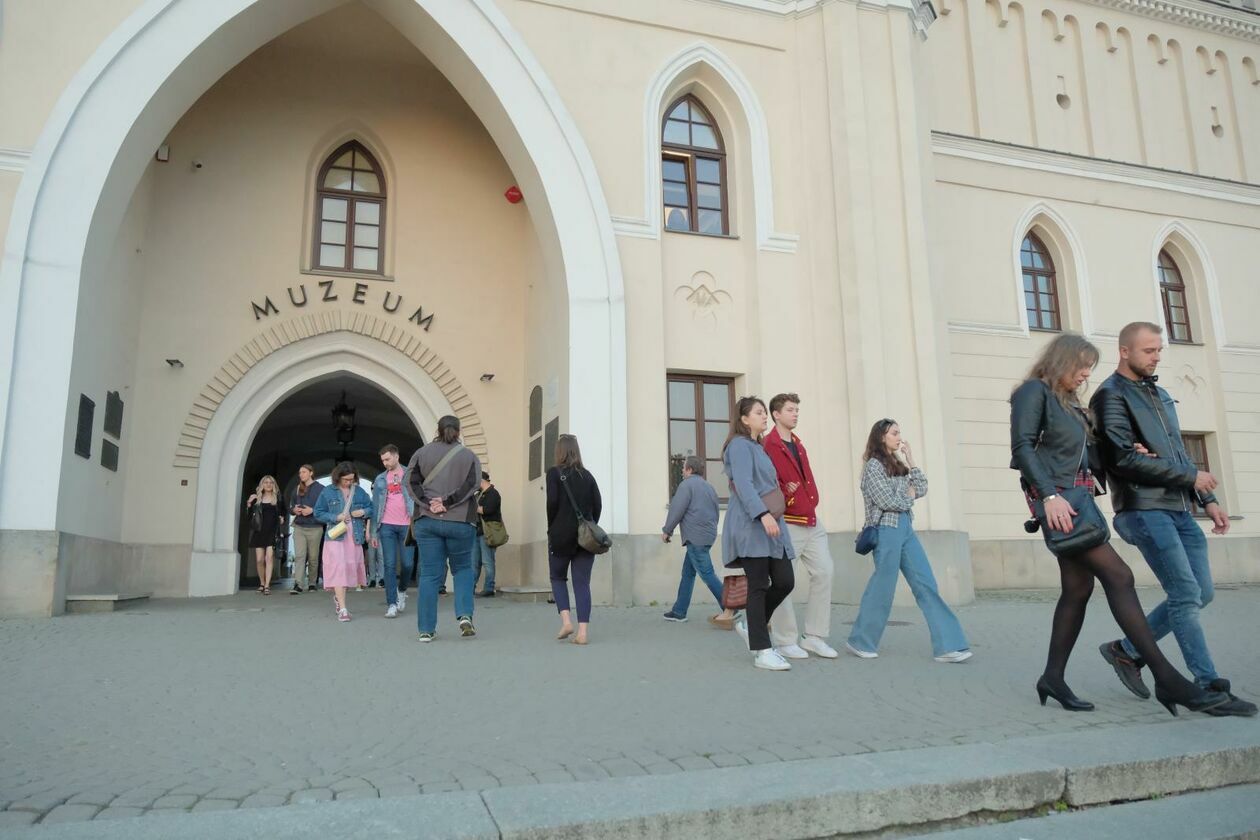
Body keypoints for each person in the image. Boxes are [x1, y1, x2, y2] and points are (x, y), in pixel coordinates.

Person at [1010, 333, 1226, 715]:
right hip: (1061, 505)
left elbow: (1087, 455)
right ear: (1063, 361)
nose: (1085, 375)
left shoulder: (1069, 404)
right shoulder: (1033, 392)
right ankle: (1166, 677)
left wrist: (1132, 451)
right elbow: (1023, 447)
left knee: (1077, 591)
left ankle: (1053, 678)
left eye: (1089, 369)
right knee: (1120, 577)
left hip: (1075, 504)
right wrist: (1048, 497)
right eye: (1081, 367)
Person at [1090, 322, 1257, 717]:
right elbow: (1123, 460)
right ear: (1125, 352)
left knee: (1202, 592)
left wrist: (1207, 497)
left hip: (1180, 507)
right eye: (1149, 351)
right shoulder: (1110, 397)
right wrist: (1190, 477)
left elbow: (1179, 453)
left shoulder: (1159, 394)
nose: (1157, 357)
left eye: (1159, 350)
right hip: (1144, 510)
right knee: (1185, 595)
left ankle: (1126, 651)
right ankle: (1209, 686)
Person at [846, 420, 971, 663]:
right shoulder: (873, 466)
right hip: (886, 529)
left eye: (899, 433)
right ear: (881, 437)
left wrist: (911, 459)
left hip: (906, 529)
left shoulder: (899, 463)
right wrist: (908, 496)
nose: (899, 437)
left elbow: (922, 487)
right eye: (894, 433)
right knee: (883, 588)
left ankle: (948, 646)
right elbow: (886, 501)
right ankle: (860, 641)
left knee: (926, 583)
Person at [722, 396, 796, 671]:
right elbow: (743, 483)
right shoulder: (739, 446)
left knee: (785, 580)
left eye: (765, 413)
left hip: (771, 526)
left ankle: (750, 626)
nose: (765, 417)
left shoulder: (759, 446)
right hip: (751, 525)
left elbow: (762, 482)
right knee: (758, 585)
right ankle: (763, 650)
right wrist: (762, 513)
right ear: (744, 419)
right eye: (759, 413)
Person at [763, 393, 837, 659]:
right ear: (776, 414)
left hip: (811, 519)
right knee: (785, 581)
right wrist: (786, 492)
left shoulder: (797, 443)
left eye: (797, 410)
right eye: (790, 410)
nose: (795, 414)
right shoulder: (769, 444)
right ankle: (784, 640)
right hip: (788, 522)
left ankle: (814, 636)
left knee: (825, 572)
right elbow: (765, 481)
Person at [406, 416, 482, 642]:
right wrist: (447, 503)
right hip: (460, 522)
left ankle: (426, 629)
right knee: (462, 570)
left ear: (437, 430)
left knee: (430, 574)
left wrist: (430, 503)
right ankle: (464, 615)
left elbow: (410, 482)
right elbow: (473, 484)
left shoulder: (421, 453)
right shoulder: (469, 456)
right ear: (458, 431)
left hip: (427, 521)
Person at [661, 455, 736, 628]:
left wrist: (667, 530)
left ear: (689, 470)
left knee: (707, 574)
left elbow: (676, 509)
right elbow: (716, 512)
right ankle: (679, 612)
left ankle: (730, 608)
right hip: (706, 536)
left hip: (695, 538)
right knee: (688, 574)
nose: (681, 470)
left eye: (683, 468)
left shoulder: (686, 485)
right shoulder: (709, 487)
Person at [546, 434, 602, 645]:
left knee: (558, 578)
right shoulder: (587, 476)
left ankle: (567, 621)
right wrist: (588, 524)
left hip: (560, 535)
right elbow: (598, 505)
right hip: (584, 539)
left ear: (559, 451)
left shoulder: (553, 474)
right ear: (576, 450)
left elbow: (551, 503)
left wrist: (553, 526)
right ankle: (583, 633)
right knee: (582, 583)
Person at [313, 462, 371, 622]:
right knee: (339, 569)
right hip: (336, 535)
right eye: (346, 479)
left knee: (347, 569)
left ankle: (339, 599)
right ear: (338, 477)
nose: (349, 482)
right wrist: (335, 517)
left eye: (351, 479)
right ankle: (344, 609)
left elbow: (371, 507)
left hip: (354, 535)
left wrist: (363, 512)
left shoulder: (359, 492)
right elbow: (318, 512)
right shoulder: (327, 491)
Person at [371, 444, 417, 619]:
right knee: (389, 565)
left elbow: (418, 497)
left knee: (407, 564)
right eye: (382, 460)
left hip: (407, 526)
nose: (385, 463)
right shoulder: (380, 479)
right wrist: (374, 532)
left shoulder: (410, 474)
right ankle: (391, 604)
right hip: (387, 526)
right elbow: (376, 506)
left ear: (396, 457)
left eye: (387, 459)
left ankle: (402, 590)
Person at [245, 476, 285, 595]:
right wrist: (248, 503)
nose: (268, 484)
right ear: (262, 484)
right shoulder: (257, 499)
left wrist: (282, 517)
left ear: (274, 484)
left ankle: (267, 585)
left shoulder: (278, 498)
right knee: (259, 560)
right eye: (266, 482)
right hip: (259, 532)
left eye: (270, 482)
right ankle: (262, 583)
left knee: (269, 558)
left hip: (272, 532)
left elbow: (284, 512)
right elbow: (248, 518)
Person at [289, 465, 323, 594]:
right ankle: (298, 584)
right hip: (299, 527)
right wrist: (294, 510)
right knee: (300, 556)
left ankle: (312, 583)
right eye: (299, 472)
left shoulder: (321, 489)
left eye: (303, 472)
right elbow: (290, 506)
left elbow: (325, 508)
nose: (301, 474)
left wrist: (312, 510)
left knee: (313, 557)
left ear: (311, 473)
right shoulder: (297, 488)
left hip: (315, 527)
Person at [474, 472, 502, 597]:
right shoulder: (479, 494)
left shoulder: (493, 493)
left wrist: (473, 506)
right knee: (474, 562)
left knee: (487, 561)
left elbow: (488, 510)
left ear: (482, 480)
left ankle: (489, 588)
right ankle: (470, 587)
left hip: (488, 533)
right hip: (477, 531)